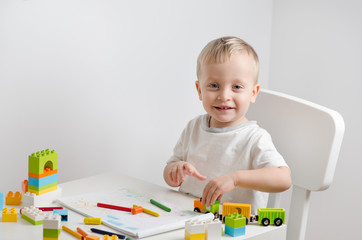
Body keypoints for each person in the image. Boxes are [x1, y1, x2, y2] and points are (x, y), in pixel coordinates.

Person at [163, 36, 291, 214]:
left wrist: (236, 179)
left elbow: (283, 179)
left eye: (237, 87)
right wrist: (174, 170)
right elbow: (170, 176)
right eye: (214, 85)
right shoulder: (193, 127)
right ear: (200, 90)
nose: (224, 96)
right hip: (187, 219)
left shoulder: (255, 138)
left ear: (253, 93)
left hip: (235, 229)